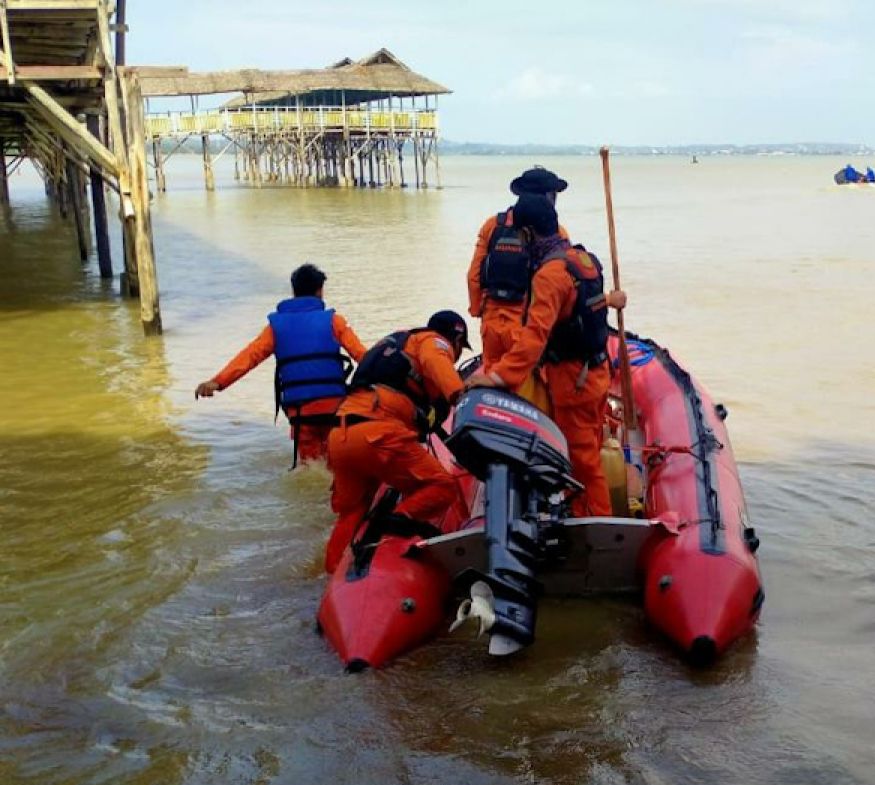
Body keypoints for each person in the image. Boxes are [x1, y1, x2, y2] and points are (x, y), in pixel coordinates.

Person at [465, 195, 626, 517]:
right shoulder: (584, 259)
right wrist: (611, 300)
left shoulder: (548, 275)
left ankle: (597, 528)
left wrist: (497, 377)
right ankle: (580, 510)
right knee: (590, 450)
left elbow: (534, 337)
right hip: (597, 372)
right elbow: (582, 305)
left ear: (526, 234)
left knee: (583, 463)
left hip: (572, 381)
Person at [323, 310, 470, 571]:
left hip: (340, 432)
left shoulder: (395, 342)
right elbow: (436, 360)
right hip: (378, 432)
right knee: (442, 486)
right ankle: (395, 523)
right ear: (456, 341)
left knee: (352, 512)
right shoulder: (434, 342)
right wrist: (458, 394)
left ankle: (332, 576)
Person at [194, 263, 367, 467]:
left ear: (293, 291)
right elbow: (364, 357)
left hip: (300, 411)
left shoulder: (275, 327)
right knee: (336, 464)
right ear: (320, 291)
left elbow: (250, 356)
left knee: (310, 466)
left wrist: (217, 382)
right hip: (334, 407)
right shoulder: (334, 321)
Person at [467, 166, 572, 373]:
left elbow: (474, 276)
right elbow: (562, 283)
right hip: (525, 325)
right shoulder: (555, 234)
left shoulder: (492, 225)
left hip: (491, 322)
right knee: (529, 386)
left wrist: (479, 310)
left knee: (492, 381)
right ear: (547, 197)